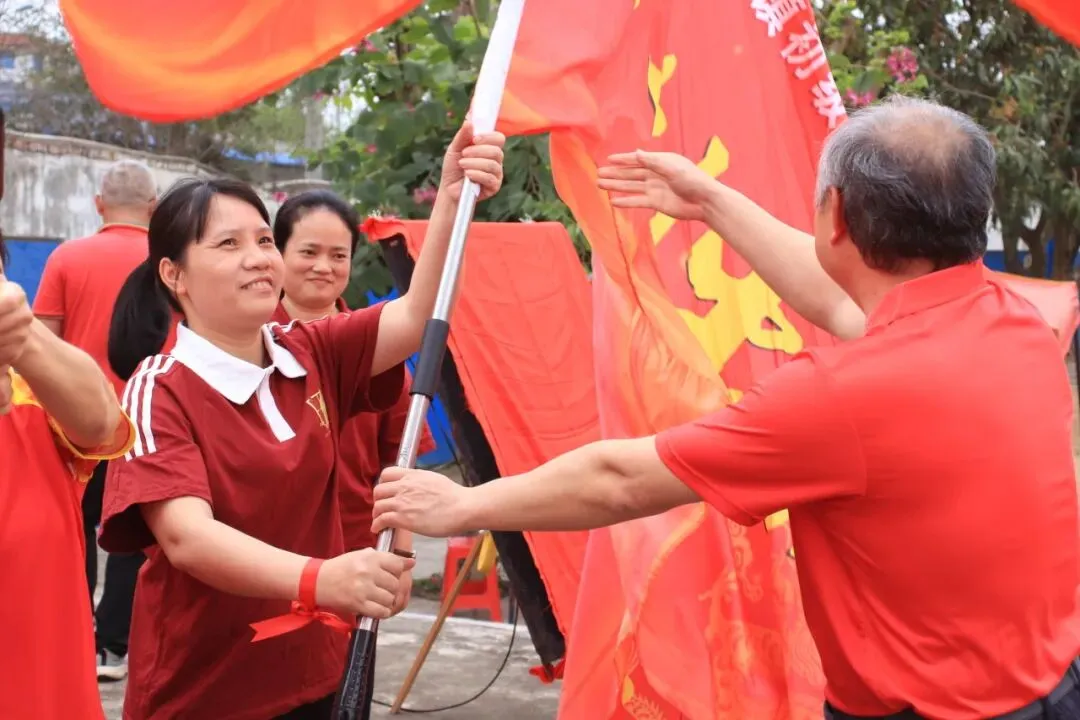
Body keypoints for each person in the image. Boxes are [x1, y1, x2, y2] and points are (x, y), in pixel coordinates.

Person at [370, 97, 1080, 720]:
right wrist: (710, 201)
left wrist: (464, 506)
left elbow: (622, 478)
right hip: (1053, 684)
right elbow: (843, 300)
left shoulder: (842, 396)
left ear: (835, 215)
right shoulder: (1017, 324)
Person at [100, 122, 504, 719]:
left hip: (319, 671)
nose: (258, 258)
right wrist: (321, 580)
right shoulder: (159, 390)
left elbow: (419, 314)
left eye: (264, 240)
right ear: (173, 275)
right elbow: (187, 537)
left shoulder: (311, 349)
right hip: (207, 692)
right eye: (228, 245)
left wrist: (450, 196)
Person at [32, 158, 162, 681]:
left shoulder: (67, 257)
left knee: (76, 529)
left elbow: (37, 343)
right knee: (133, 531)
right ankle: (113, 646)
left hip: (75, 425)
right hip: (153, 418)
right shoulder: (170, 261)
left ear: (98, 204)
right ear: (154, 208)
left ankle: (75, 637)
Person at [0, 235, 135, 719]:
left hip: (44, 689)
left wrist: (24, 339)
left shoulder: (29, 389)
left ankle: (112, 644)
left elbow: (100, 420)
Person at [272, 190, 437, 574]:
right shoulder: (248, 341)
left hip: (355, 555)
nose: (323, 267)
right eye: (308, 252)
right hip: (269, 555)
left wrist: (401, 554)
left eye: (338, 255)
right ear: (277, 254)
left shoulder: (379, 346)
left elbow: (400, 465)